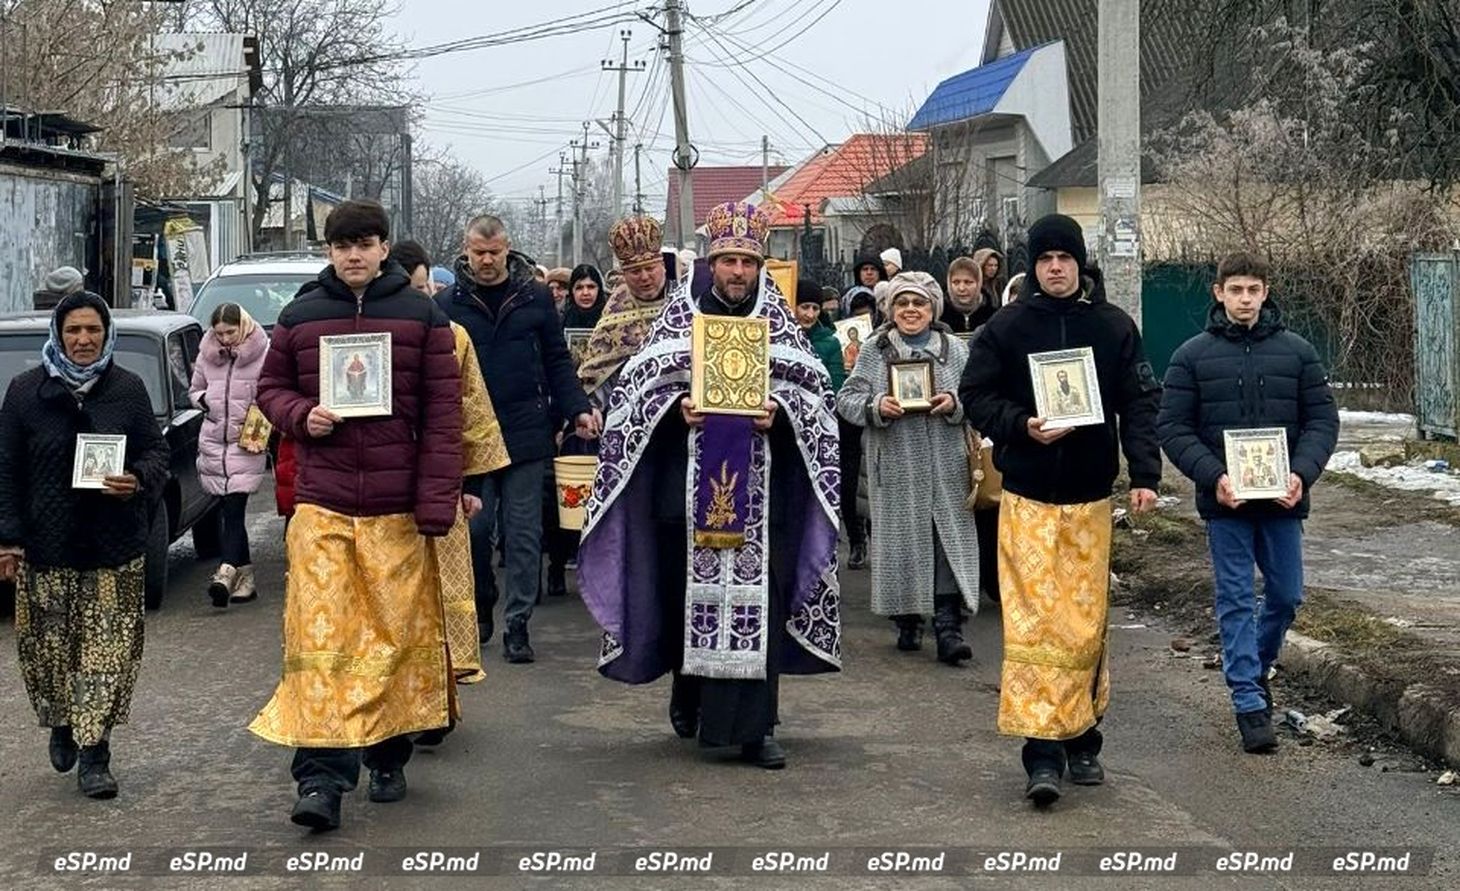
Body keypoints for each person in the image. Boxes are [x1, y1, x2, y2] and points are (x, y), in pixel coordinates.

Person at [576, 201, 842, 770]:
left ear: (759, 265)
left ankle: (756, 729)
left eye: (747, 261)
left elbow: (817, 395)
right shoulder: (678, 319)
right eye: (727, 261)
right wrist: (678, 408)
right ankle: (688, 692)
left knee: (758, 605)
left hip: (762, 494)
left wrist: (783, 409)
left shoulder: (780, 325)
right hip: (686, 490)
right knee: (683, 596)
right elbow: (633, 395)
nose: (738, 271)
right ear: (712, 264)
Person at [251, 200, 464, 831]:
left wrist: (435, 502)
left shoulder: (422, 316)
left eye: (365, 244)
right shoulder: (301, 314)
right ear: (328, 251)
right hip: (324, 504)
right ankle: (320, 779)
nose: (353, 256)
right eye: (341, 246)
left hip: (397, 510)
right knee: (322, 643)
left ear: (383, 247)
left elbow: (443, 418)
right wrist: (300, 416)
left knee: (392, 637)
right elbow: (270, 389)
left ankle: (389, 751)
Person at [959, 213, 1162, 808]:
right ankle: (1040, 753)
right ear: (1034, 266)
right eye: (1045, 258)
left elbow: (1141, 400)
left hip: (1090, 501)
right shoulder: (1007, 327)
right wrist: (1021, 427)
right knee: (1032, 626)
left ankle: (1083, 737)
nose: (1055, 267)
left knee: (1083, 624)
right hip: (1025, 500)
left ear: (1080, 264)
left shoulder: (1113, 327)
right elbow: (976, 396)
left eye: (1065, 258)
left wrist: (1144, 474)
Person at [1158, 251, 1338, 754]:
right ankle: (1248, 702)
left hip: (1282, 501)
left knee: (1286, 595)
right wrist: (1213, 476)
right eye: (1234, 289)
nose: (1244, 299)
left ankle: (1256, 665)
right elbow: (1173, 427)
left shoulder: (1298, 352)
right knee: (1235, 598)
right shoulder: (1191, 356)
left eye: (1252, 290)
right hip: (1226, 504)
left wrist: (1302, 473)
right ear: (1218, 293)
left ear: (1265, 292)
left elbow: (1322, 421)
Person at [0, 291, 169, 799]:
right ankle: (61, 723)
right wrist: (7, 540)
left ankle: (96, 754)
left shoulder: (127, 390)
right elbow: (6, 470)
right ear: (58, 333)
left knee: (106, 655)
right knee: (49, 654)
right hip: (46, 549)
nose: (83, 339)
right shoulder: (26, 392)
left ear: (105, 334)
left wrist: (137, 479)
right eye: (73, 330)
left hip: (113, 549)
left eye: (92, 330)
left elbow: (156, 450)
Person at [438, 215, 595, 663]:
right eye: (478, 252)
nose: (486, 261)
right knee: (476, 529)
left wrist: (576, 407)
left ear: (508, 249)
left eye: (495, 252)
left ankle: (518, 624)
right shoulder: (450, 304)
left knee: (524, 533)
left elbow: (557, 360)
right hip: (472, 434)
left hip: (527, 430)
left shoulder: (536, 297)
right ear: (466, 250)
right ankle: (483, 602)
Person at [390, 240, 510, 738]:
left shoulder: (452, 336)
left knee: (439, 597)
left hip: (441, 489)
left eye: (425, 289)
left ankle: (438, 700)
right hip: (384, 492)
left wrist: (471, 483)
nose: (420, 299)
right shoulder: (364, 336)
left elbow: (473, 418)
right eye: (411, 290)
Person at [838, 273, 979, 662]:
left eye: (919, 303)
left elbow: (977, 397)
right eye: (903, 304)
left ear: (933, 308)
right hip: (897, 464)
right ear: (891, 310)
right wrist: (877, 405)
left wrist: (955, 404)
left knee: (946, 541)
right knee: (902, 542)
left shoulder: (954, 349)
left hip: (947, 464)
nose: (911, 310)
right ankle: (907, 618)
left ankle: (948, 626)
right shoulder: (875, 348)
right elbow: (847, 399)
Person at [189, 302, 270, 607]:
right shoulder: (207, 353)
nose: (224, 339)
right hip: (213, 440)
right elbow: (195, 388)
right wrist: (204, 401)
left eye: (230, 332)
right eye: (219, 333)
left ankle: (225, 572)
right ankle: (245, 579)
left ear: (244, 327)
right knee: (226, 509)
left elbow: (271, 390)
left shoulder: (263, 353)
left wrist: (258, 417)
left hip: (246, 439)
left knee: (234, 509)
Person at [578, 216, 671, 407]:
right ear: (623, 273)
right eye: (635, 272)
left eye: (650, 268)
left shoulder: (684, 295)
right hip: (629, 408)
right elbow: (596, 374)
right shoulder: (616, 309)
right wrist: (590, 409)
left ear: (662, 264)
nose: (645, 277)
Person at [943, 255, 994, 335]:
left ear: (978, 283)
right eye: (956, 282)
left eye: (968, 282)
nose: (961, 288)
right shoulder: (939, 316)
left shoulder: (992, 316)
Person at [562, 264, 607, 331]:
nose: (585, 293)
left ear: (599, 289)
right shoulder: (561, 320)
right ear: (572, 291)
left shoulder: (611, 319)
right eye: (579, 288)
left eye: (591, 287)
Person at [842, 251, 887, 316]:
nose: (869, 273)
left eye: (873, 269)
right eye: (865, 269)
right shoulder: (849, 296)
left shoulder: (887, 293)